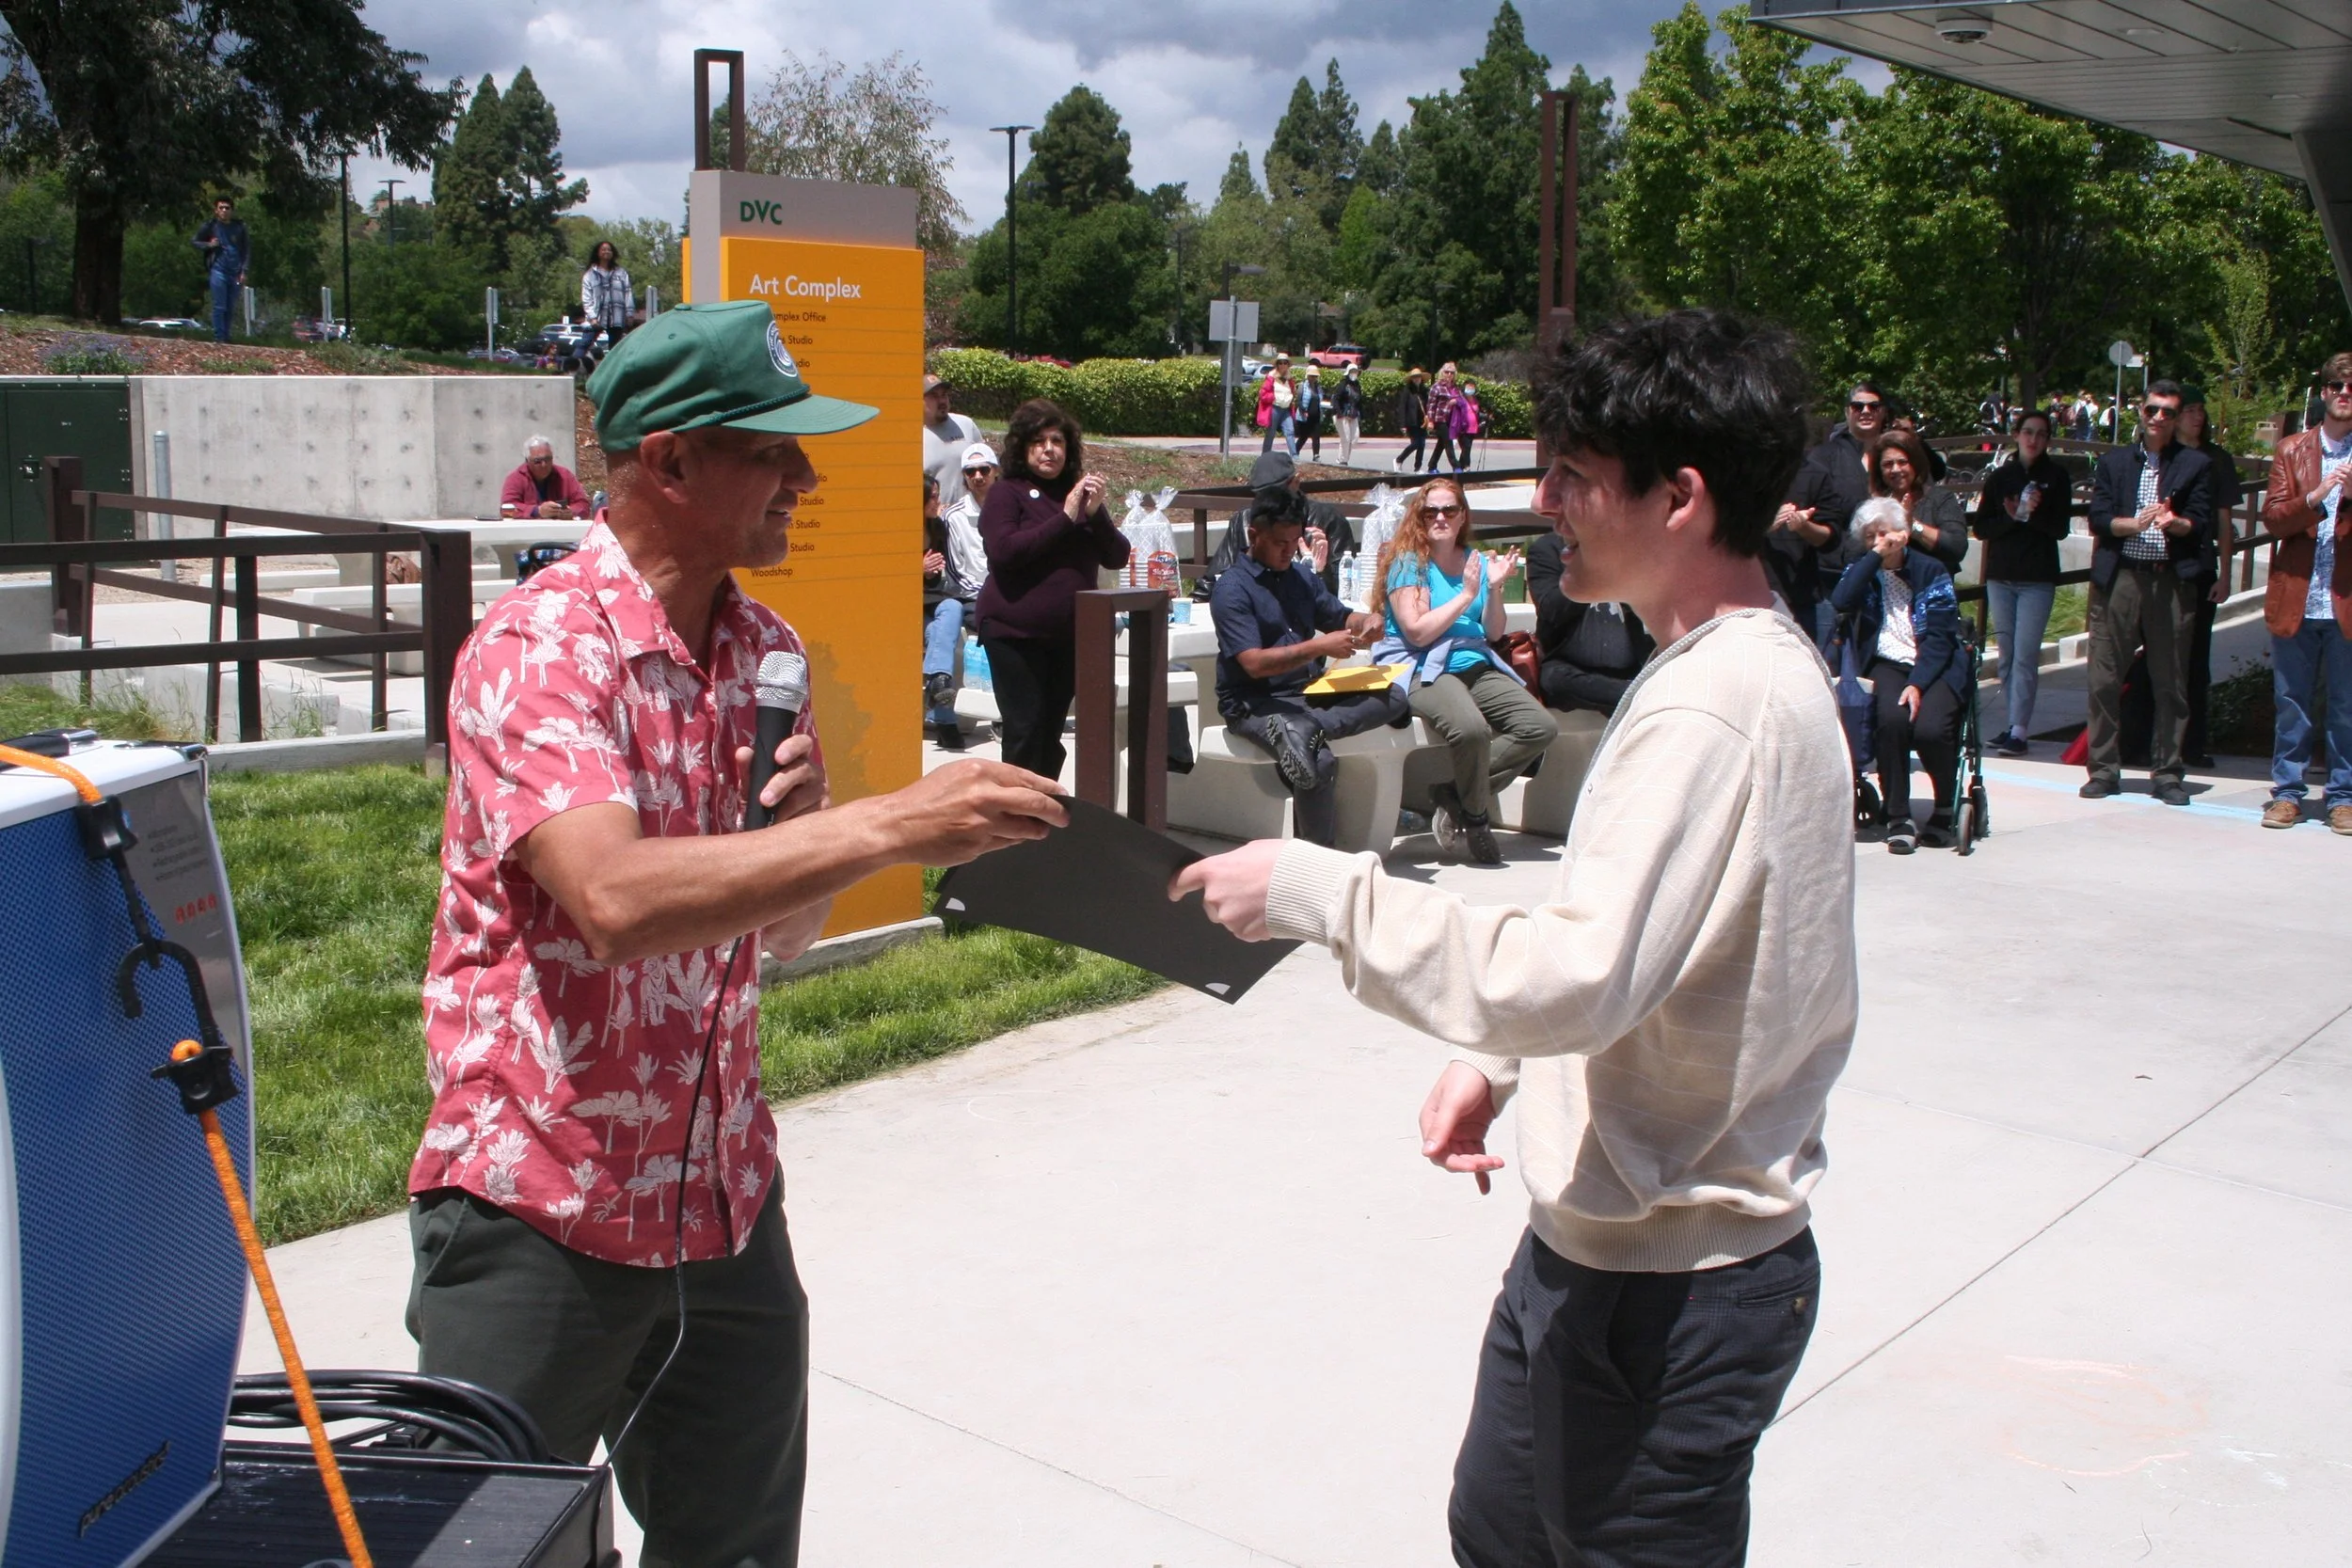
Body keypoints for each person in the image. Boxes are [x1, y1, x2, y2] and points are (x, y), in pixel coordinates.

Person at [1174, 309, 1854, 1568]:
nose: (1545, 503)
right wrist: (1498, 1064)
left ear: (1683, 498)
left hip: (1674, 1287)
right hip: (1593, 1255)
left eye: (1578, 478)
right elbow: (1637, 941)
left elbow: (1580, 976)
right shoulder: (1717, 669)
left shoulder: (1715, 703)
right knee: (1496, 1532)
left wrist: (1320, 890)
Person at [405, 299, 1067, 1568]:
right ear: (670, 462)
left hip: (722, 1204)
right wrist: (882, 824)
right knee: (477, 1550)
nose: (806, 479)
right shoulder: (539, 647)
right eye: (774, 451)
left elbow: (777, 935)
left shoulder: (763, 648)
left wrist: (808, 831)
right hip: (542, 1201)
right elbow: (613, 901)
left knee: (740, 1547)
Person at [1368, 478, 1556, 865]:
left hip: (1473, 662)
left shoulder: (1474, 560)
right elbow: (1417, 632)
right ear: (1419, 518)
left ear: (1462, 516)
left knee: (1540, 726)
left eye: (1448, 510)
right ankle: (1476, 819)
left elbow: (1493, 632)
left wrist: (1496, 588)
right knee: (1471, 730)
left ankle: (1454, 795)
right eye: (1430, 511)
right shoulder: (1409, 563)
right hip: (1420, 667)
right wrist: (1467, 594)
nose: (1440, 517)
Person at [1210, 493, 1405, 846]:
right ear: (1254, 536)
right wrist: (1317, 647)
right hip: (1254, 702)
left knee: (1394, 696)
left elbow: (1337, 615)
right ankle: (1317, 864)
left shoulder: (1300, 576)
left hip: (1305, 695)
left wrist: (1367, 621)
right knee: (1319, 764)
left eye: (1294, 541)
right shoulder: (1231, 589)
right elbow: (1252, 664)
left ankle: (1300, 731)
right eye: (1279, 543)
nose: (1289, 551)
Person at [976, 398, 1129, 780]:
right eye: (1039, 441)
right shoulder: (1006, 493)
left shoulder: (1080, 497)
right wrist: (1064, 518)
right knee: (1024, 730)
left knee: (1050, 733)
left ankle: (1045, 819)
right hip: (1015, 635)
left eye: (1057, 441)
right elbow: (1005, 551)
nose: (1049, 450)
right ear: (1022, 448)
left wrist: (1094, 515)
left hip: (1067, 637)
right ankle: (1015, 824)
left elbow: (1117, 556)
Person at [2081, 380, 2215, 805]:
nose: (2159, 418)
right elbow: (2100, 517)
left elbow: (2199, 523)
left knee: (2171, 681)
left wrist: (2173, 523)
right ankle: (2103, 769)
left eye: (2168, 412)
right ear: (2141, 411)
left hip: (2170, 580)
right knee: (2103, 678)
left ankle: (2168, 771)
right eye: (2153, 410)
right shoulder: (2116, 462)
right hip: (2121, 576)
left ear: (2177, 419)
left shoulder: (2194, 464)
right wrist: (2132, 524)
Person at [1832, 499, 1968, 852]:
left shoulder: (1932, 570)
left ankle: (1942, 807)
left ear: (1902, 534)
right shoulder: (1864, 568)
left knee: (1931, 728)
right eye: (1871, 536)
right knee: (1891, 720)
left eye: (1885, 533)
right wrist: (1875, 558)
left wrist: (1917, 683)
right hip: (1887, 661)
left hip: (1933, 663)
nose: (1879, 541)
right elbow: (1842, 599)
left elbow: (1940, 637)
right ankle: (1898, 815)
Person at [2255, 354, 2352, 834]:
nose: (2345, 393)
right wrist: (2314, 499)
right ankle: (2287, 794)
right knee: (2291, 703)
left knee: (2346, 706)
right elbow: (2272, 518)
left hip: (2345, 601)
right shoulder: (2293, 450)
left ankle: (2343, 796)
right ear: (2324, 393)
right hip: (2298, 595)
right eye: (2337, 385)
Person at [1969, 408, 2074, 756]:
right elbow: (1982, 527)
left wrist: (2035, 513)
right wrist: (2013, 517)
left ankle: (2020, 729)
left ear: (2047, 440)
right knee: (2007, 655)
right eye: (2028, 432)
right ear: (2016, 434)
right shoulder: (2000, 477)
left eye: (2041, 434)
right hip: (2002, 575)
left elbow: (2060, 529)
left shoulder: (2057, 477)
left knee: (2026, 656)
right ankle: (2012, 723)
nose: (2033, 439)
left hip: (2037, 579)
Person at [1774, 381, 1883, 641]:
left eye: (1873, 406)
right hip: (1831, 575)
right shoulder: (1827, 456)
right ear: (1847, 412)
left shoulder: (1895, 449)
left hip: (1886, 569)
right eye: (1858, 406)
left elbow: (1827, 529)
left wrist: (1805, 527)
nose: (1865, 411)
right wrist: (1767, 524)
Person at [2174, 388, 2241, 767]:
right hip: (2164, 567)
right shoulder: (2165, 456)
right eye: (2190, 410)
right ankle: (2149, 739)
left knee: (2197, 660)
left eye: (2201, 410)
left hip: (2201, 566)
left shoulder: (2217, 459)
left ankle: (2193, 743)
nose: (2197, 417)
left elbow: (2225, 523)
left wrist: (2226, 575)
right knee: (2161, 658)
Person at [1197, 451, 1357, 601]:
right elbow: (1211, 582)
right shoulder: (1244, 520)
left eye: (1277, 493)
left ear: (1296, 482)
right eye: (1262, 495)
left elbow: (1346, 591)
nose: (1271, 503)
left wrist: (1320, 572)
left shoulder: (1329, 520)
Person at [1525, 529, 1653, 715]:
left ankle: (1634, 693)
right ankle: (1637, 695)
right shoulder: (1547, 549)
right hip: (1569, 668)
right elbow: (1551, 609)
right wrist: (1592, 570)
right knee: (1553, 680)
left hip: (1630, 668)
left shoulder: (1630, 545)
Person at [923, 472, 984, 751]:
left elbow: (935, 582)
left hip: (929, 603)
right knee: (942, 624)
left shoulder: (936, 528)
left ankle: (939, 682)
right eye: (934, 497)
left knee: (950, 608)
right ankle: (945, 724)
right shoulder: (894, 531)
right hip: (898, 607)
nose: (939, 501)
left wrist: (930, 574)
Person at [1867, 427, 1967, 571]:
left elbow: (1957, 548)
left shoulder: (1939, 498)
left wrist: (1913, 527)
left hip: (1932, 586)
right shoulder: (1873, 505)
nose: (1896, 469)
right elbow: (1854, 552)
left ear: (1915, 464)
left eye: (1902, 462)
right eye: (1888, 464)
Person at [192, 197, 249, 344]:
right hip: (218, 270)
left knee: (230, 306)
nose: (224, 210)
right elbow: (195, 241)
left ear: (232, 210)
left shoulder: (239, 227)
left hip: (235, 271)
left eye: (227, 208)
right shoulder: (211, 226)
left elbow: (246, 250)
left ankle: (227, 336)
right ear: (216, 210)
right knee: (220, 305)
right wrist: (209, 245)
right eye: (221, 208)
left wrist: (244, 271)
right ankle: (219, 337)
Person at [499, 435, 592, 520]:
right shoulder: (516, 479)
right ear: (527, 461)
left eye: (548, 459)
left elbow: (583, 505)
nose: (544, 465)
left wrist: (571, 511)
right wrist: (537, 511)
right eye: (537, 461)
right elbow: (506, 510)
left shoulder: (564, 476)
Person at [921, 373, 981, 502]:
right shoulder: (912, 437)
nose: (942, 401)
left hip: (969, 517)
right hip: (934, 518)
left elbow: (987, 468)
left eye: (944, 395)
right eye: (934, 396)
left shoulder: (966, 425)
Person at [581, 239, 633, 348]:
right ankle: (572, 364)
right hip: (597, 317)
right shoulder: (590, 275)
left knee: (615, 349)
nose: (606, 252)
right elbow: (586, 298)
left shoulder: (621, 273)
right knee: (584, 345)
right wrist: (592, 318)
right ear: (598, 253)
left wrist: (629, 314)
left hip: (617, 317)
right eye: (603, 249)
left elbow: (628, 293)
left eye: (609, 250)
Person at [1424, 363, 1465, 475]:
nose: (1449, 374)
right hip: (1440, 419)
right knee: (1448, 443)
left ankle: (1432, 466)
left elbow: (1462, 401)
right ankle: (1456, 466)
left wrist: (1456, 401)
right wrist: (1431, 421)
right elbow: (1431, 405)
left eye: (1452, 373)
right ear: (1442, 373)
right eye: (1447, 372)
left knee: (1441, 444)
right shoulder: (1436, 387)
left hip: (1452, 419)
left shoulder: (1455, 388)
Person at [1394, 368, 1430, 473]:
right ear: (1411, 379)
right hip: (1411, 422)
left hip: (1422, 422)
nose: (1417, 379)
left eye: (1418, 377)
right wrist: (1403, 424)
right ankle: (1399, 460)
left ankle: (1418, 467)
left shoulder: (1424, 391)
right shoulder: (1407, 390)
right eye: (1414, 377)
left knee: (1422, 445)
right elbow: (1402, 407)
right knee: (1415, 444)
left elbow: (1427, 405)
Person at [1332, 363, 1365, 467]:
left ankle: (1344, 458)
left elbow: (1359, 401)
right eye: (1352, 372)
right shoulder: (1342, 384)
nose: (1354, 374)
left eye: (1355, 372)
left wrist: (1361, 414)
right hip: (1342, 415)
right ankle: (1342, 460)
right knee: (1345, 438)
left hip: (1353, 415)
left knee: (1354, 438)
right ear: (1348, 373)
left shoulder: (1357, 385)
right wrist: (1339, 413)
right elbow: (1335, 399)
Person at [1298, 364, 1327, 461]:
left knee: (1316, 436)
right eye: (1311, 376)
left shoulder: (1318, 388)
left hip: (1316, 415)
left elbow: (1320, 400)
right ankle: (1295, 451)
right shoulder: (1302, 386)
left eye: (1315, 376)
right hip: (1306, 415)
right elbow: (1299, 401)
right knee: (1304, 436)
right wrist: (1304, 410)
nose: (1313, 378)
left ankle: (1316, 455)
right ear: (1307, 376)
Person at [1455, 378, 1484, 473]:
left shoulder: (1475, 400)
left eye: (1472, 386)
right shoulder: (1460, 400)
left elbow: (1477, 413)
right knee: (1466, 447)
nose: (1470, 388)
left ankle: (1460, 466)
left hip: (1473, 428)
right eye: (1468, 386)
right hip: (1463, 428)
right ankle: (1467, 466)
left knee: (1467, 448)